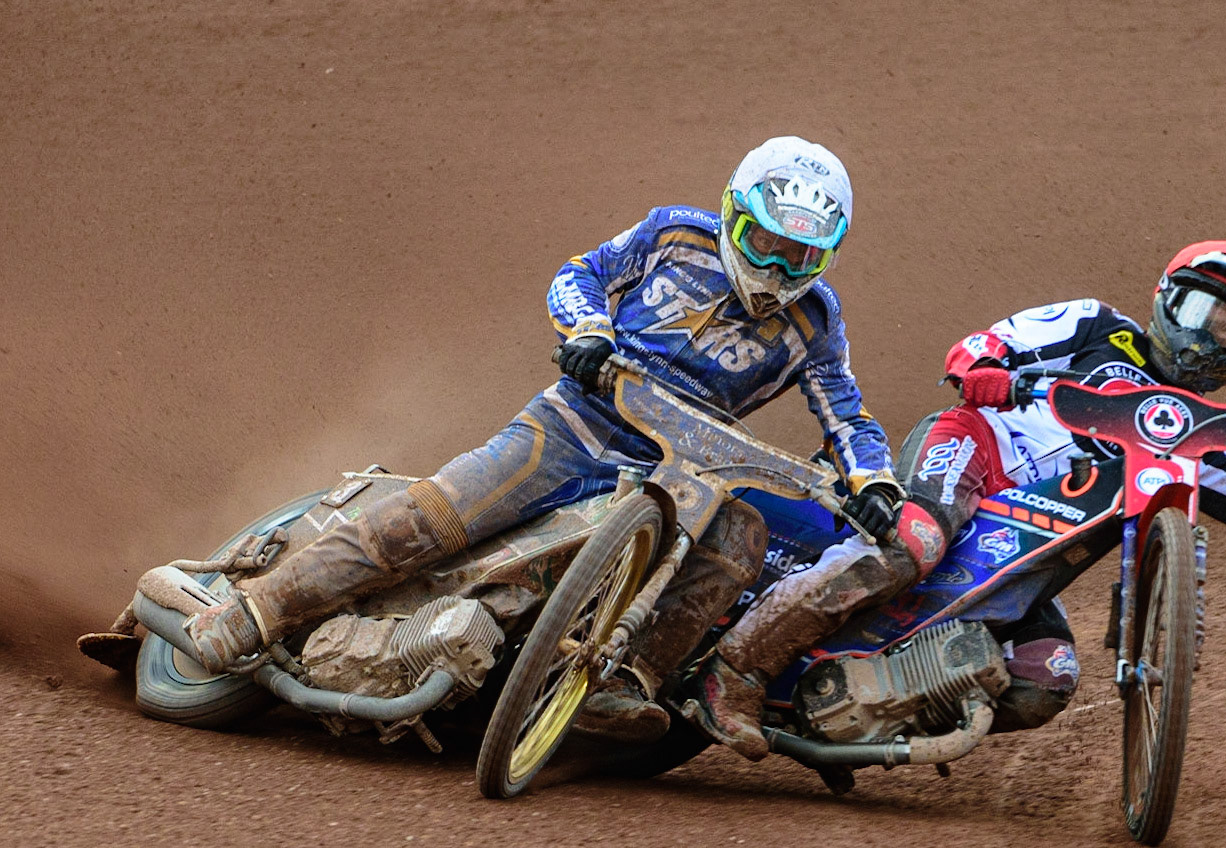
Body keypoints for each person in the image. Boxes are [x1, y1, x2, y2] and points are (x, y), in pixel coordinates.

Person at [185, 136, 904, 742]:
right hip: (577, 422)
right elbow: (580, 274)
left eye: (800, 258)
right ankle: (258, 610)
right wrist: (587, 332)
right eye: (766, 244)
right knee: (439, 515)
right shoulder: (672, 234)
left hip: (681, 469)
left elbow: (848, 414)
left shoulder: (817, 320)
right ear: (732, 213)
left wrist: (875, 482)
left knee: (743, 536)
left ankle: (622, 679)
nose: (777, 270)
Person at [690, 241, 1226, 759]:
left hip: (1033, 551)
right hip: (978, 449)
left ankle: (859, 720)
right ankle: (737, 669)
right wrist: (986, 372)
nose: (1203, 334)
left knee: (1048, 675)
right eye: (1195, 310)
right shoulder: (1095, 327)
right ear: (1163, 300)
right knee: (912, 543)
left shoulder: (1207, 434)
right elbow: (984, 345)